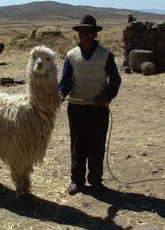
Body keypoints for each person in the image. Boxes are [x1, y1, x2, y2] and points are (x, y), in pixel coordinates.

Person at [59, 15, 122, 195]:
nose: (84, 34)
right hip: (77, 107)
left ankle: (95, 180)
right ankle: (76, 180)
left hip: (98, 108)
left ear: (95, 34)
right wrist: (61, 93)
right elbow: (65, 81)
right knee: (78, 144)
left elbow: (115, 79)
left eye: (88, 31)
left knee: (96, 144)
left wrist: (107, 96)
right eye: (81, 31)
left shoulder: (105, 54)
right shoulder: (71, 56)